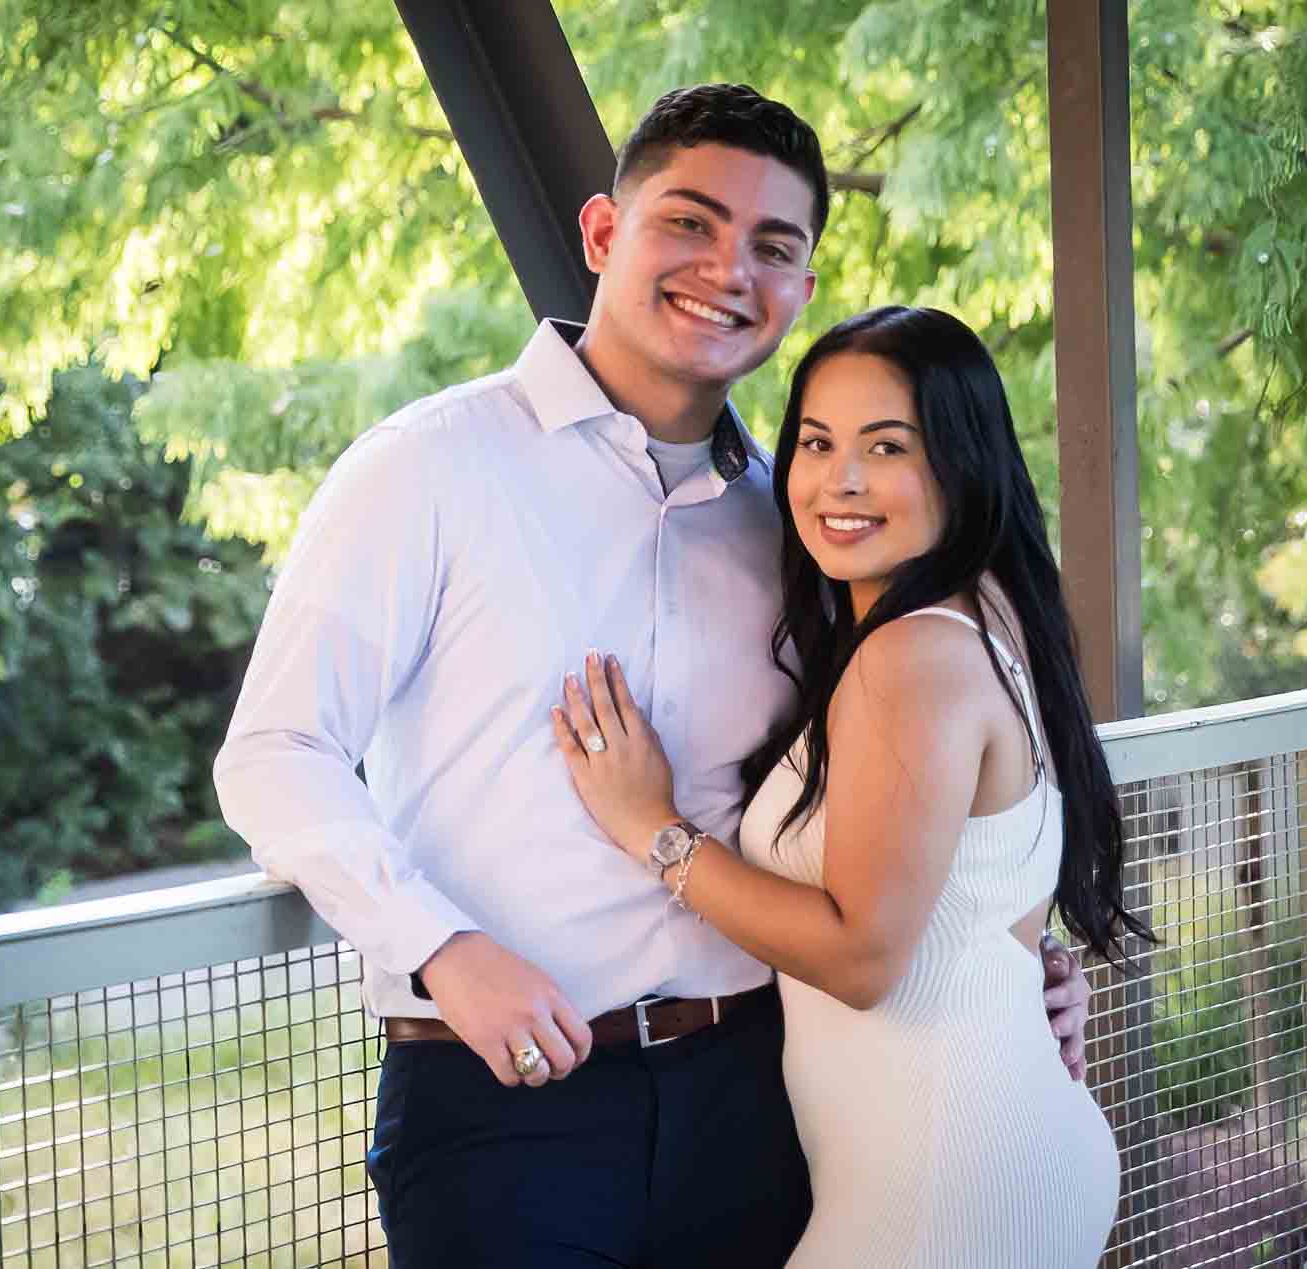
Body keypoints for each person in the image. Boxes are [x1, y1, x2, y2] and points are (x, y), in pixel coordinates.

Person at [213, 85, 1093, 1267]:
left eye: (771, 246)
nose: (727, 267)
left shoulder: (801, 525)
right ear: (599, 234)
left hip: (763, 1096)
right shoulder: (427, 470)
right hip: (508, 1108)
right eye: (689, 221)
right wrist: (437, 945)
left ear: (800, 289)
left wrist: (987, 960)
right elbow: (272, 754)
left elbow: (900, 785)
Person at [554, 304, 1150, 1266]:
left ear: (961, 462)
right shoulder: (976, 614)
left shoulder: (914, 654)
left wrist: (652, 829)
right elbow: (979, 898)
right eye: (819, 442)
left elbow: (863, 956)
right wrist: (1030, 979)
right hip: (975, 1150)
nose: (843, 480)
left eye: (887, 446)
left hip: (946, 1180)